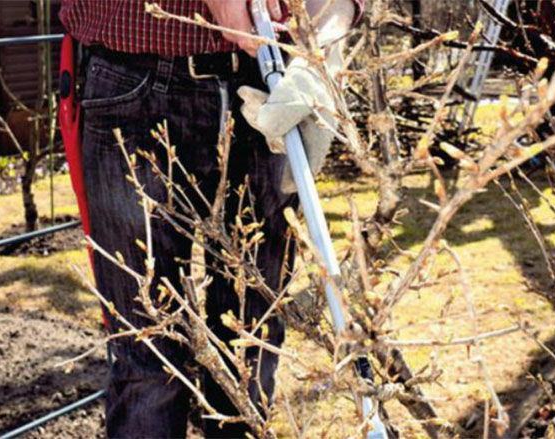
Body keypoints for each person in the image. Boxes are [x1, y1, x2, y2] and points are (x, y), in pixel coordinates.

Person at [58, 0, 361, 437]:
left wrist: (321, 51)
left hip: (267, 83)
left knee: (249, 348)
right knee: (147, 355)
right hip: (134, 81)